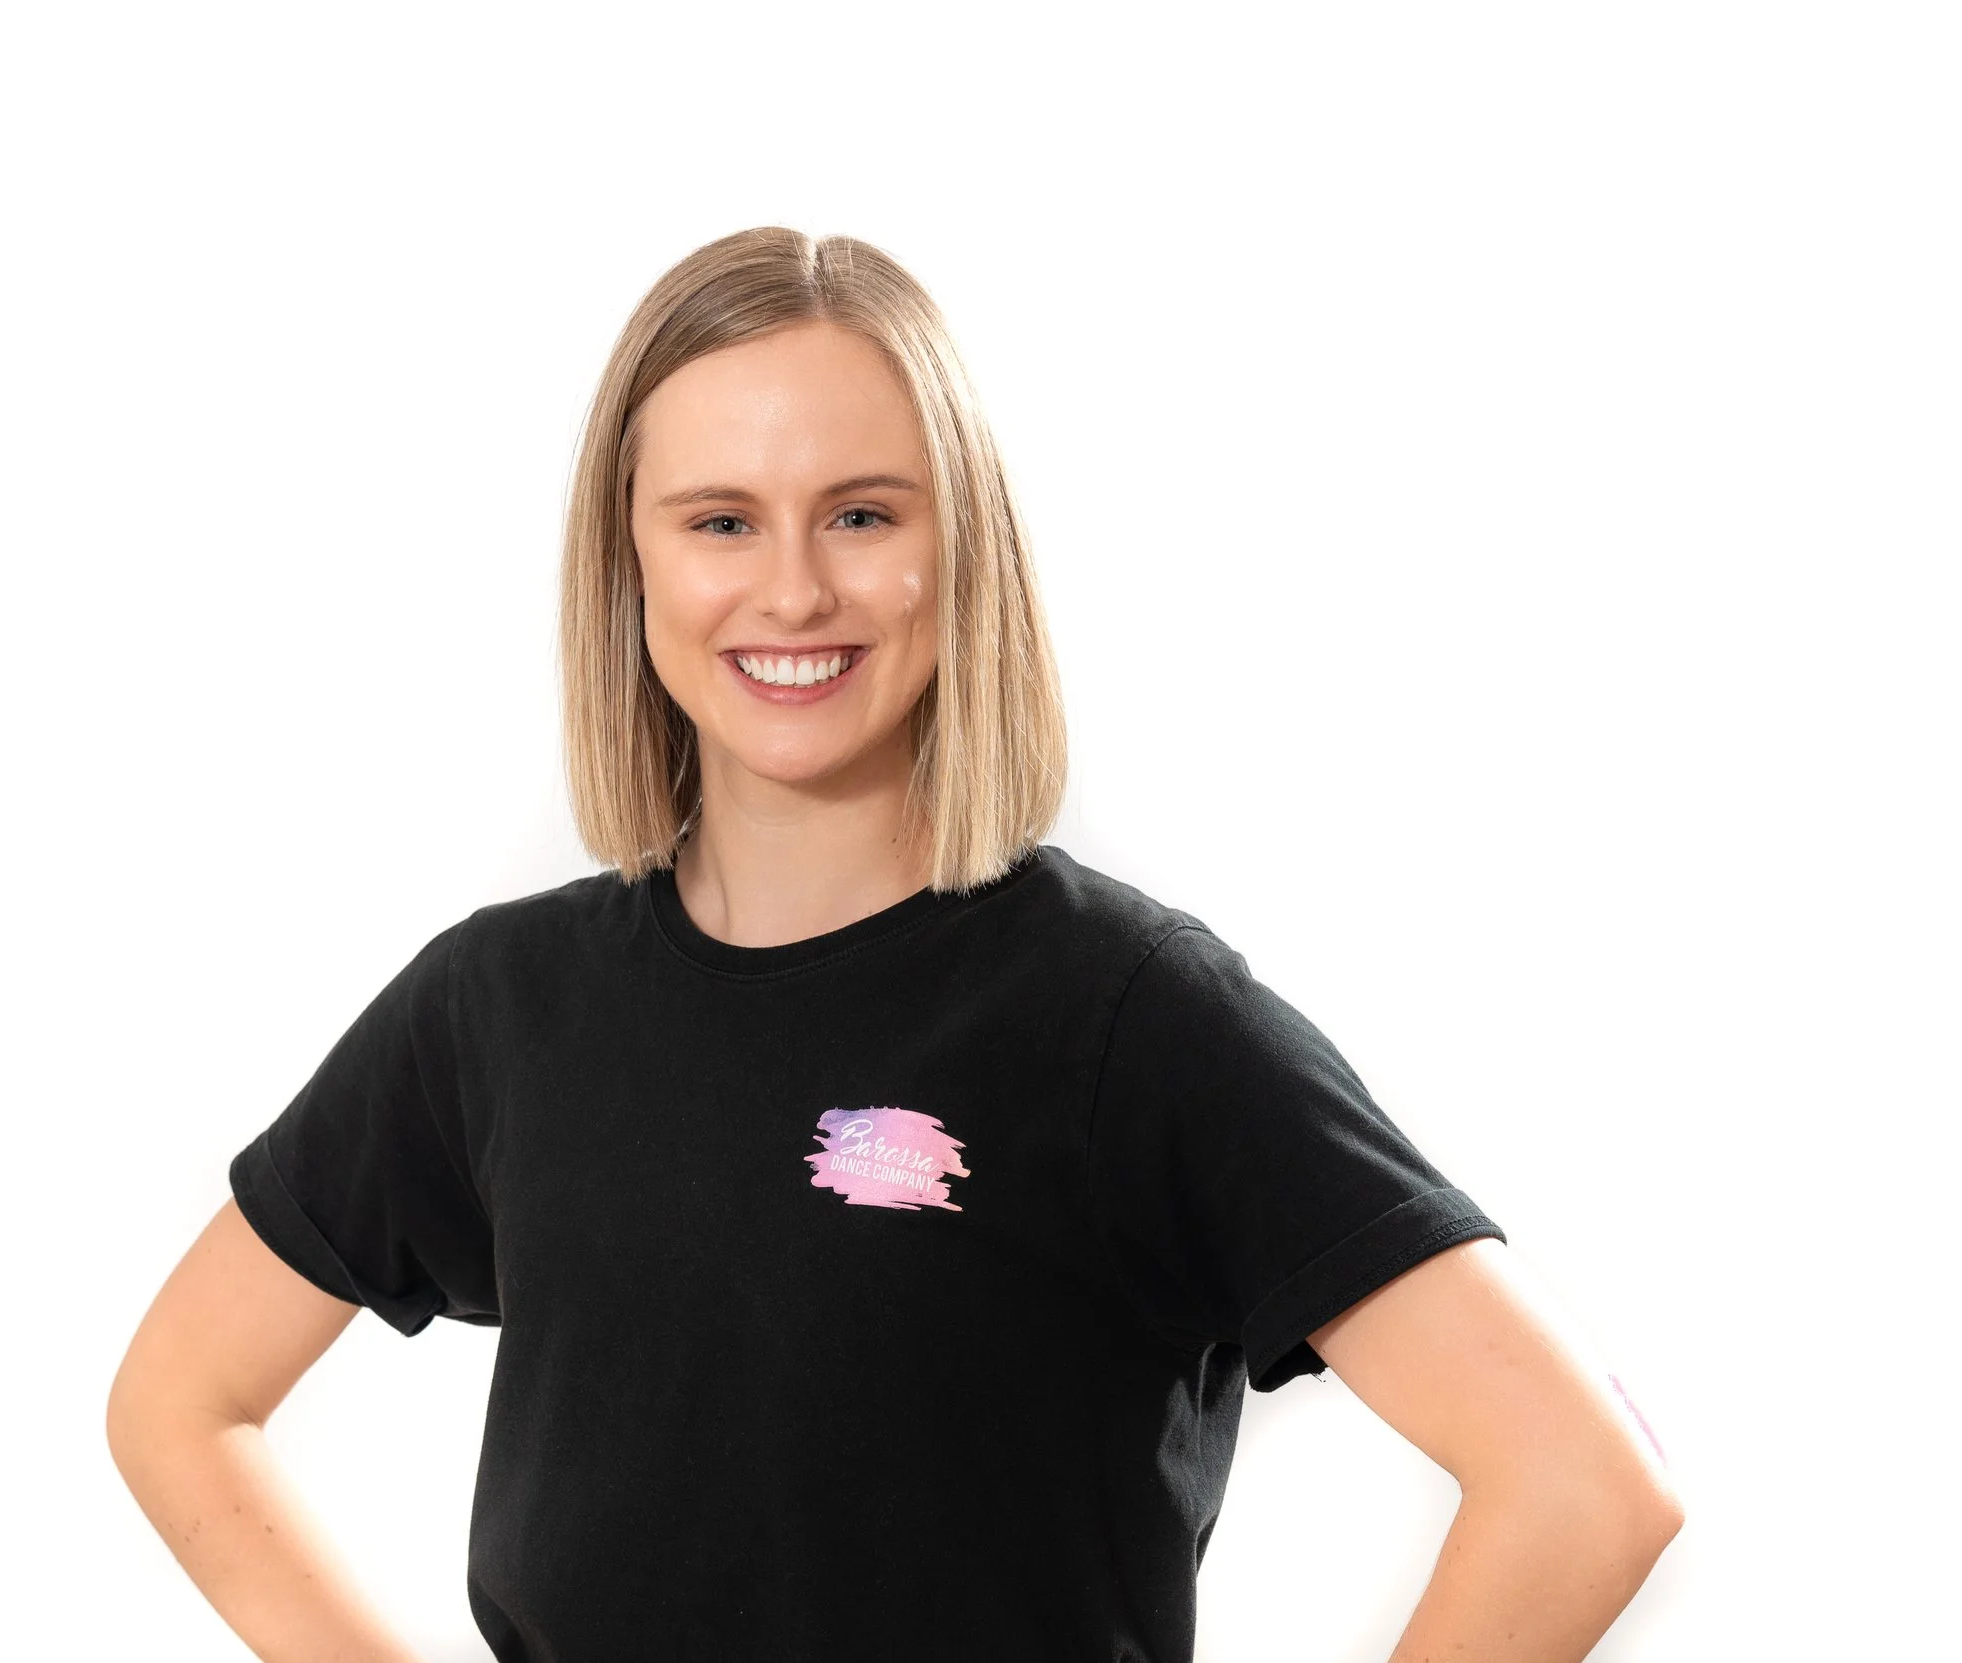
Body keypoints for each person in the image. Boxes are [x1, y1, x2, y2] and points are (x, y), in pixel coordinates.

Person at [106, 227, 1685, 1662]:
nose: (792, 587)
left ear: (960, 549)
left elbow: (1580, 1486)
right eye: (722, 518)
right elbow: (180, 1402)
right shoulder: (500, 1009)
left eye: (862, 513)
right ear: (632, 561)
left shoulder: (1124, 1019)